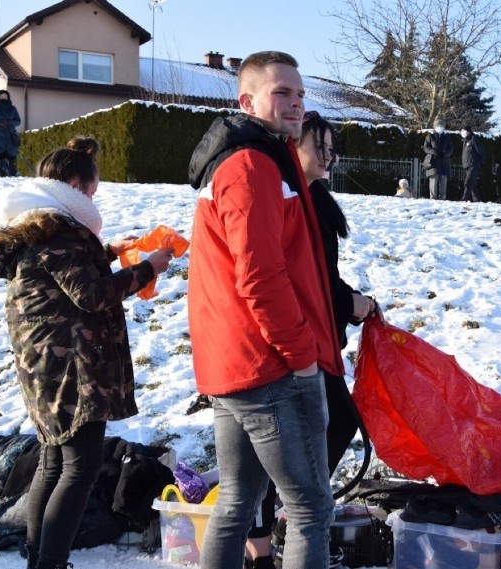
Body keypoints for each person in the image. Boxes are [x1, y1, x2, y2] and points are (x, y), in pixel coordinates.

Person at [0, 136, 174, 569]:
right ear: (74, 186)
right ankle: (50, 562)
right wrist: (146, 268)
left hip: (44, 363)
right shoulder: (60, 231)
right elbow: (91, 295)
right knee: (80, 464)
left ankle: (39, 555)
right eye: (91, 194)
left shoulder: (40, 226)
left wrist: (111, 251)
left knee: (54, 458)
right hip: (70, 365)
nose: (93, 202)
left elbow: (66, 277)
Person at [186, 51, 344, 569]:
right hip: (269, 365)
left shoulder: (251, 157)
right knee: (310, 509)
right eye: (282, 93)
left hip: (235, 365)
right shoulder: (251, 165)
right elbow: (259, 277)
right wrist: (301, 354)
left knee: (236, 501)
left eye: (299, 94)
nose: (296, 103)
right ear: (247, 99)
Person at [242, 110, 380, 569]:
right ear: (294, 147)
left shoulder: (313, 197)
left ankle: (287, 516)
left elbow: (323, 277)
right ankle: (278, 529)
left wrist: (349, 302)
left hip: (315, 337)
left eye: (330, 147)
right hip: (291, 343)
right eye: (318, 146)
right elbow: (300, 280)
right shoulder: (287, 199)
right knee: (293, 442)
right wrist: (351, 303)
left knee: (313, 434)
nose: (328, 155)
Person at [0, 89, 22, 177]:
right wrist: (0, 123)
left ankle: (13, 174)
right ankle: (0, 175)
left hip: (10, 135)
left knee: (12, 157)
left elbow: (18, 121)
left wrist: (9, 122)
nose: (4, 97)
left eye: (5, 96)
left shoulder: (12, 108)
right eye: (2, 96)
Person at [423, 117, 452, 200]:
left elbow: (451, 148)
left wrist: (446, 153)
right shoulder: (430, 136)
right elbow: (425, 147)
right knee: (433, 181)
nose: (440, 127)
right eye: (438, 125)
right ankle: (433, 198)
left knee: (443, 182)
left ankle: (442, 198)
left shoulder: (447, 137)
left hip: (444, 162)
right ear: (435, 127)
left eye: (441, 125)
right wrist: (433, 151)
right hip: (433, 163)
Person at [460, 125, 484, 202]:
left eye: (465, 131)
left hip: (473, 164)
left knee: (468, 182)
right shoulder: (465, 140)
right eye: (462, 131)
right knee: (472, 184)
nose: (463, 132)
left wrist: (481, 163)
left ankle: (464, 199)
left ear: (469, 132)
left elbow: (480, 151)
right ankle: (477, 200)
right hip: (467, 165)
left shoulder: (474, 138)